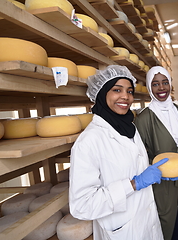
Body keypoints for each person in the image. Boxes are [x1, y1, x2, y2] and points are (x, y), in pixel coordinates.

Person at [69, 65, 167, 240]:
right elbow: (82, 205)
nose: (126, 97)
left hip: (147, 223)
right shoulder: (88, 142)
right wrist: (134, 184)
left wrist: (153, 172)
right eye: (117, 90)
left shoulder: (130, 128)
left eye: (130, 91)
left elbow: (130, 165)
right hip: (121, 231)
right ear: (102, 93)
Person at [134, 66, 178, 240]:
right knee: (166, 226)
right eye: (155, 84)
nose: (161, 88)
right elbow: (138, 155)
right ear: (149, 87)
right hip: (162, 185)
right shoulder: (144, 118)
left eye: (165, 82)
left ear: (170, 84)